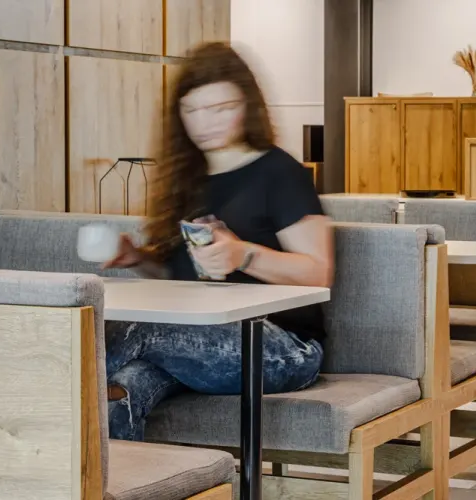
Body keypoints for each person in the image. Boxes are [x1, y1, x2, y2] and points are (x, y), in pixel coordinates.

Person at [102, 42, 334, 441]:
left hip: (282, 348)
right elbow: (182, 277)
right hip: (196, 341)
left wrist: (243, 255)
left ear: (247, 106)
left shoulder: (279, 172)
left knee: (130, 326)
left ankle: (33, 401)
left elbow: (319, 272)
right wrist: (138, 258)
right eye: (191, 111)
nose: (204, 123)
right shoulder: (185, 178)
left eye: (220, 109)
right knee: (119, 392)